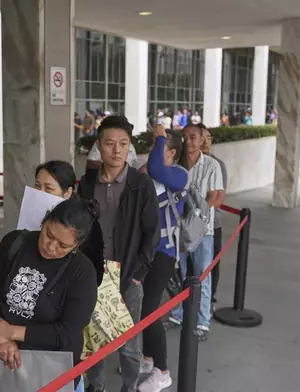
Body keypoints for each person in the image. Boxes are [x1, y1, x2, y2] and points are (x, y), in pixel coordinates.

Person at [0, 198, 99, 392]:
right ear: (44, 221)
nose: (51, 247)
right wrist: (2, 337)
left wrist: (11, 332)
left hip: (53, 372)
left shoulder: (82, 272)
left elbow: (67, 332)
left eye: (62, 245)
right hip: (5, 363)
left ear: (77, 245)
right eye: (49, 235)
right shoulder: (16, 243)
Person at [78, 115, 160, 392]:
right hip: (93, 271)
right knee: (93, 336)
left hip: (126, 273)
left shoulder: (141, 185)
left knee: (129, 340)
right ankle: (96, 386)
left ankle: (129, 387)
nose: (117, 150)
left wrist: (138, 274)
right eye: (110, 144)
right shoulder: (87, 183)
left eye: (123, 144)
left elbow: (151, 232)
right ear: (99, 146)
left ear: (130, 148)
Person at [138, 125, 188, 392]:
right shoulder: (151, 173)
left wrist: (159, 136)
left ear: (172, 152)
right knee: (140, 307)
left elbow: (156, 169)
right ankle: (147, 358)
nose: (153, 151)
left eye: (159, 146)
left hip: (164, 253)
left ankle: (163, 371)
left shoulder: (179, 174)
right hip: (145, 251)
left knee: (150, 310)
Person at [176, 124, 224, 341]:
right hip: (180, 230)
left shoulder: (212, 165)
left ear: (202, 138)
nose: (189, 142)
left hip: (202, 231)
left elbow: (216, 196)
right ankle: (178, 314)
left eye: (193, 137)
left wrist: (199, 216)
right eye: (185, 137)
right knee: (181, 274)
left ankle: (203, 321)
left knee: (202, 275)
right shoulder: (177, 166)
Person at [34, 160, 105, 285]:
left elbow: (94, 270)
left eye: (48, 189)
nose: (40, 193)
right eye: (37, 186)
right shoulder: (31, 212)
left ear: (67, 193)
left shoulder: (85, 223)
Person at [200, 127, 227, 313]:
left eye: (209, 138)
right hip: (188, 226)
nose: (205, 143)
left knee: (211, 264)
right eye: (201, 138)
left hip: (212, 224)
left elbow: (219, 199)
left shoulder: (217, 165)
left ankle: (209, 301)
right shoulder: (184, 164)